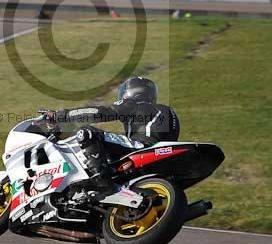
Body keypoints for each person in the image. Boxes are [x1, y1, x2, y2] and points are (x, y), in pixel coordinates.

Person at [45, 76, 180, 180]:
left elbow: (101, 113)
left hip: (142, 148)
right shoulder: (166, 111)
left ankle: (100, 180)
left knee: (87, 133)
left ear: (132, 92)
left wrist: (64, 115)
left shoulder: (134, 103)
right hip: (158, 157)